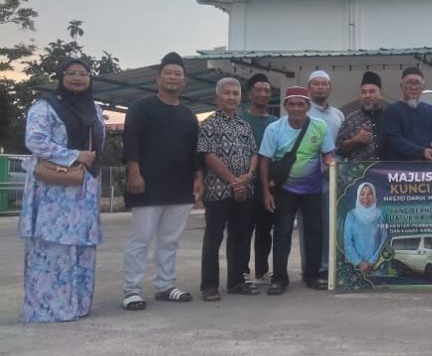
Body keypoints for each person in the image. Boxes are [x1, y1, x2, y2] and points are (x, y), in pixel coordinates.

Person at [19, 59, 106, 322]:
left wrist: (86, 161)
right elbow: (35, 140)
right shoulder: (45, 106)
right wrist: (73, 155)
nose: (78, 78)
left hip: (84, 185)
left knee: (81, 246)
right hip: (54, 188)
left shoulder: (94, 108)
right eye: (72, 73)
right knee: (53, 245)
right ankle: (48, 309)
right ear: (61, 76)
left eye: (83, 74)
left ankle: (76, 305)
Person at [121, 52, 202, 311]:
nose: (173, 78)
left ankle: (165, 285)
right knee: (140, 239)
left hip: (180, 186)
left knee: (170, 240)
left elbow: (195, 151)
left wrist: (198, 178)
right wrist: (134, 173)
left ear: (184, 82)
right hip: (147, 184)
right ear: (158, 79)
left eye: (178, 74)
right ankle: (132, 290)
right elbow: (131, 142)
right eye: (168, 73)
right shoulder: (140, 108)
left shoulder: (189, 116)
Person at [258, 86, 335, 295]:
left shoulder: (320, 127)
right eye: (291, 104)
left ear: (308, 106)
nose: (296, 108)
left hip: (313, 190)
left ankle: (312, 275)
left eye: (301, 104)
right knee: (282, 233)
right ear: (285, 106)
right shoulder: (274, 129)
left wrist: (331, 165)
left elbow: (327, 155)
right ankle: (279, 279)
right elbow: (264, 161)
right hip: (284, 191)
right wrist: (266, 192)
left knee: (315, 233)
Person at [198, 77, 259, 301]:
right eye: (227, 93)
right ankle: (209, 286)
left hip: (244, 190)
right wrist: (234, 181)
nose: (231, 97)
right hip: (218, 190)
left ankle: (236, 282)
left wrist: (248, 176)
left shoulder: (244, 125)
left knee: (240, 236)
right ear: (217, 97)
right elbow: (208, 156)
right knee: (213, 238)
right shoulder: (209, 124)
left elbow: (254, 153)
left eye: (235, 93)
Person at [306, 70, 344, 280]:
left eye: (324, 84)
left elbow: (342, 146)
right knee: (312, 226)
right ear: (309, 88)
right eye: (316, 84)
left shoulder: (338, 115)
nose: (320, 87)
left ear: (330, 88)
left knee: (332, 225)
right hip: (310, 180)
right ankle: (312, 268)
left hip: (334, 179)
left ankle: (329, 266)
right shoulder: (303, 113)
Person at [240, 73, 278, 283]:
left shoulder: (275, 123)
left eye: (267, 91)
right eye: (259, 90)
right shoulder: (241, 120)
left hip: (269, 184)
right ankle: (242, 271)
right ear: (249, 94)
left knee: (265, 230)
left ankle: (262, 270)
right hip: (245, 182)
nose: (263, 94)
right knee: (244, 229)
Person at [384, 67, 432, 161]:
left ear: (423, 87)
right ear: (401, 86)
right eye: (409, 83)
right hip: (400, 167)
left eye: (417, 83)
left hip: (428, 166)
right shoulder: (392, 110)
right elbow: (394, 139)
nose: (413, 87)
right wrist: (421, 152)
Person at [336, 71, 385, 162]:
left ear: (380, 94)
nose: (367, 95)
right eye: (363, 92)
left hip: (387, 170)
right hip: (359, 170)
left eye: (372, 92)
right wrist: (354, 140)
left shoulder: (391, 117)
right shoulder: (351, 119)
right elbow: (339, 151)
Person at [343, 182, 389, 276]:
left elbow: (384, 239)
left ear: (374, 195)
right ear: (358, 196)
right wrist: (359, 262)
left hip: (377, 267)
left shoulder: (381, 215)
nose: (366, 197)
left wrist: (372, 262)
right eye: (362, 194)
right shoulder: (351, 215)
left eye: (370, 194)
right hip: (355, 267)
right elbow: (348, 242)